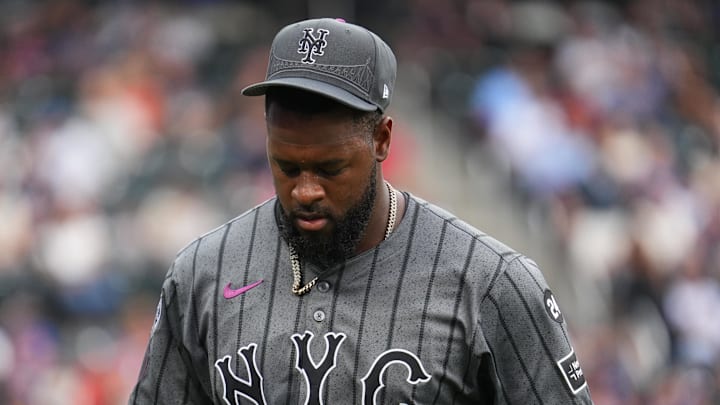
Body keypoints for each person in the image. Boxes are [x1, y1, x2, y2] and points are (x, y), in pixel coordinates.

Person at [130, 18, 594, 404]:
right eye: (286, 166)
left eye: (330, 168)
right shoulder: (202, 273)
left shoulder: (491, 283)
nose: (305, 190)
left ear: (382, 140)